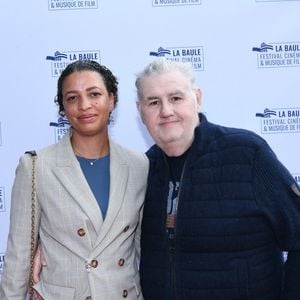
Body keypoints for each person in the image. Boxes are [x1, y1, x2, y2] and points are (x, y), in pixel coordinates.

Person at [135, 58, 300, 299]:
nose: (166, 111)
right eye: (153, 102)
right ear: (140, 111)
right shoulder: (141, 169)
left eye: (176, 98)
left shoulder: (247, 154)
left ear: (197, 98)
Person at [0, 60, 148, 300]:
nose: (84, 105)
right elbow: (18, 257)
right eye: (72, 98)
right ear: (63, 108)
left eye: (94, 94)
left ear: (111, 100)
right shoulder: (37, 166)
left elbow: (149, 249)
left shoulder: (139, 165)